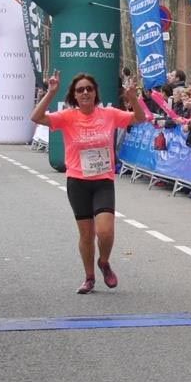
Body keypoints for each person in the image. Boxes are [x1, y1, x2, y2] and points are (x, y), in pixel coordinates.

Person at [30, 71, 146, 294]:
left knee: (105, 231)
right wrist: (51, 92)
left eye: (89, 89)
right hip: (77, 181)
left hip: (102, 180)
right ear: (74, 95)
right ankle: (89, 277)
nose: (85, 92)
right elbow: (36, 117)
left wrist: (132, 98)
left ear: (95, 93)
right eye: (80, 90)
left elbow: (139, 119)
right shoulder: (67, 116)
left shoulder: (109, 114)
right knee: (86, 235)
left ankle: (104, 262)